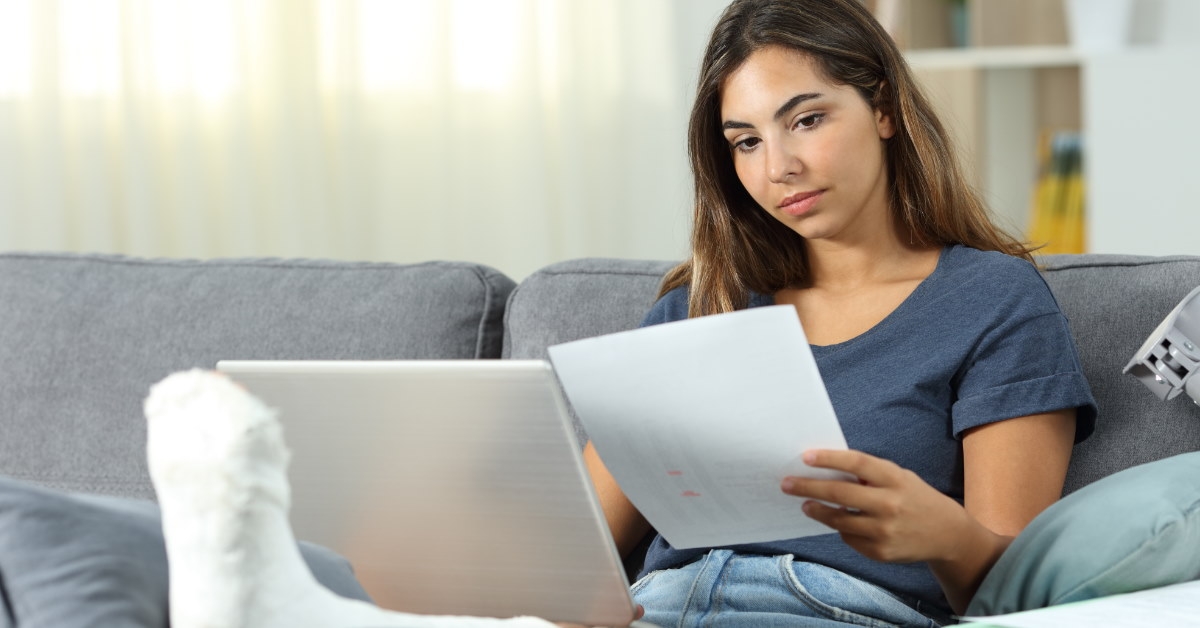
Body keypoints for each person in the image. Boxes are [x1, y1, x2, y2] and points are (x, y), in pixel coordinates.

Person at [582, 0, 1098, 626]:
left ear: (883, 108)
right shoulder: (700, 307)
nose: (778, 168)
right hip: (657, 610)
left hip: (831, 610)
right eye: (747, 141)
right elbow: (572, 554)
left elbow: (1015, 602)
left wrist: (947, 536)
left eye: (805, 120)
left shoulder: (994, 300)